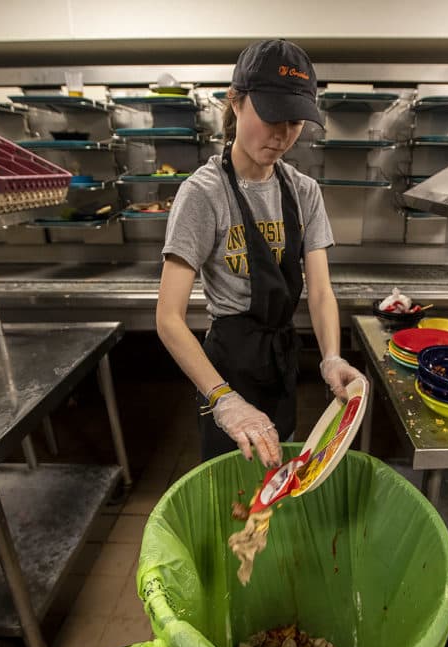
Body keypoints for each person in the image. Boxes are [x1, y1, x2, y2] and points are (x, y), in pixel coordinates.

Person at [156, 39, 365, 469]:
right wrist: (223, 400)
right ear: (235, 102)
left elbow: (321, 292)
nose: (282, 135)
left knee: (276, 472)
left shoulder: (304, 191)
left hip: (281, 359)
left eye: (295, 121)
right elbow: (168, 318)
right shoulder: (203, 194)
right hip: (227, 368)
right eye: (271, 115)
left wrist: (331, 356)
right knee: (231, 484)